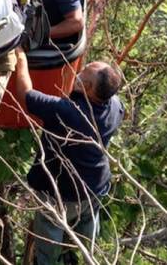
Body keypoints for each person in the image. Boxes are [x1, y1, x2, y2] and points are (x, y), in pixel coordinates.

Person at [14, 57, 125, 264]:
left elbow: (25, 94)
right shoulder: (115, 106)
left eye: (83, 73)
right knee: (87, 233)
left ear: (88, 87)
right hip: (95, 187)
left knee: (49, 236)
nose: (78, 72)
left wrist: (21, 59)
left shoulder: (66, 111)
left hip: (61, 193)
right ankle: (82, 255)